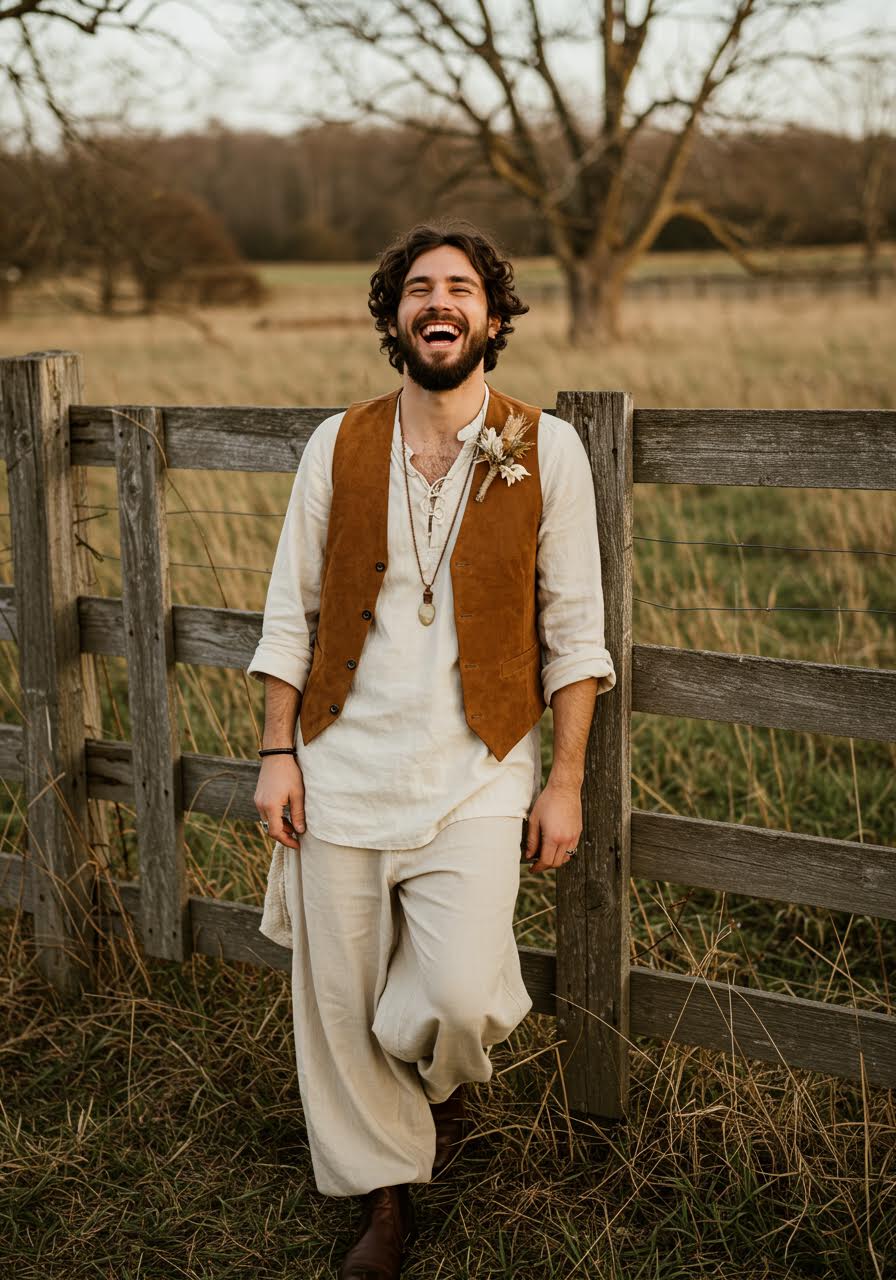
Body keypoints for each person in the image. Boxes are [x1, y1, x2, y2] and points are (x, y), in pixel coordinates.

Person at [249, 220, 616, 1279]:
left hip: (478, 772)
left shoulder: (546, 447)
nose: (437, 302)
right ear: (393, 316)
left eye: (459, 287)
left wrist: (563, 779)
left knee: (456, 997)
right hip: (340, 768)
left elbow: (575, 633)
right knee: (335, 1005)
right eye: (418, 288)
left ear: (492, 318)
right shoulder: (338, 441)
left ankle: (437, 1089)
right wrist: (277, 751)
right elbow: (291, 611)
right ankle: (384, 1195)